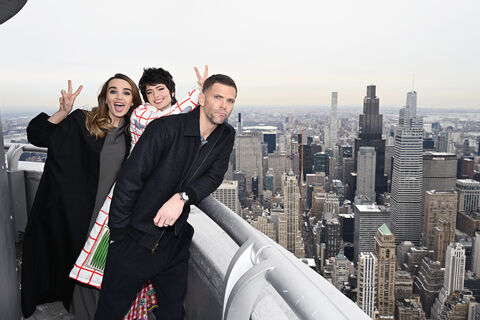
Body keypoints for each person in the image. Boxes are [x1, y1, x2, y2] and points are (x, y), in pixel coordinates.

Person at [70, 66, 208, 319]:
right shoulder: (143, 115)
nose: (156, 96)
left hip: (155, 199)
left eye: (161, 90)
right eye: (150, 92)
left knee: (142, 268)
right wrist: (198, 93)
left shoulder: (183, 120)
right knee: (119, 261)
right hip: (132, 194)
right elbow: (172, 115)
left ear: (171, 91)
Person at [95, 74, 237, 319]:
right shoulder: (165, 128)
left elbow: (213, 177)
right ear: (201, 98)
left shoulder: (225, 136)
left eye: (230, 100)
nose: (224, 105)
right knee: (110, 312)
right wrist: (119, 237)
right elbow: (130, 181)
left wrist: (182, 197)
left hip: (174, 242)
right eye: (218, 97)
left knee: (172, 313)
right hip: (135, 240)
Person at [21, 74, 142, 318]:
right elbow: (37, 135)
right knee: (83, 276)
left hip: (111, 220)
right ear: (105, 98)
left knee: (100, 275)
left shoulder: (136, 135)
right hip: (78, 215)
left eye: (126, 92)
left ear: (133, 101)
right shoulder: (82, 121)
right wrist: (62, 111)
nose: (120, 97)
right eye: (113, 91)